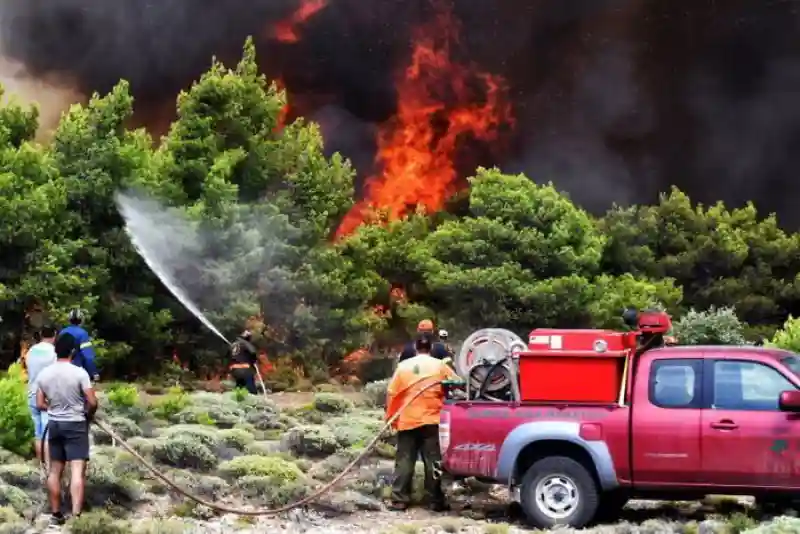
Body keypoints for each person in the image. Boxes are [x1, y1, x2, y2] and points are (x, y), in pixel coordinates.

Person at [385, 336, 457, 512]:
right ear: (430, 348)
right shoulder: (440, 365)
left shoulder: (403, 367)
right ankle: (435, 501)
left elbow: (391, 393)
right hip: (432, 420)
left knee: (404, 460)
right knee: (433, 461)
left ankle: (399, 500)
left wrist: (389, 417)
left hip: (407, 419)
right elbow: (457, 383)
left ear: (416, 348)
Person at [35, 333, 98, 524]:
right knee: (77, 470)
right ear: (73, 351)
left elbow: (39, 403)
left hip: (55, 425)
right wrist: (88, 413)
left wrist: (54, 408)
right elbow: (92, 401)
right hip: (76, 424)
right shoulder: (79, 373)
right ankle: (76, 515)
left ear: (56, 350)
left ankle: (56, 514)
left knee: (55, 470)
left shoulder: (44, 374)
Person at [26, 325, 58, 467]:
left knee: (37, 433)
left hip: (32, 392)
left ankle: (40, 464)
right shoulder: (54, 352)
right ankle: (49, 466)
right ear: (55, 335)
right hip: (46, 396)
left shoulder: (31, 351)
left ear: (40, 334)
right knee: (47, 433)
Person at [59, 309, 99, 382]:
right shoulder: (82, 333)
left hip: (61, 371)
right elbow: (88, 356)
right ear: (81, 320)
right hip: (77, 370)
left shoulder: (62, 332)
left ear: (69, 320)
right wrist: (94, 372)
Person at [229, 329, 258, 395]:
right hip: (245, 369)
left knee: (239, 388)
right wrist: (253, 361)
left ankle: (238, 402)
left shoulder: (233, 345)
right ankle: (253, 402)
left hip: (235, 370)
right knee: (251, 389)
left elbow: (228, 356)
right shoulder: (246, 343)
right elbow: (253, 352)